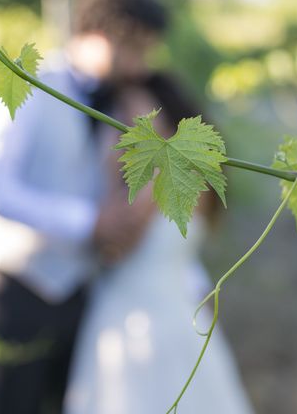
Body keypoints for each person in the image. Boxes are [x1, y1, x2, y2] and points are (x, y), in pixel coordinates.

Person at [0, 0, 168, 414]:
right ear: (100, 30)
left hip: (79, 292)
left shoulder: (123, 101)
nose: (139, 66)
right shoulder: (21, 84)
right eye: (135, 48)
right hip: (14, 289)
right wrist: (87, 222)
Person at [64, 72, 255, 414]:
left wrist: (112, 175)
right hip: (177, 310)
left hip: (136, 320)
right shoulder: (197, 170)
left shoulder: (154, 181)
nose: (122, 128)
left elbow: (114, 246)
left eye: (132, 117)